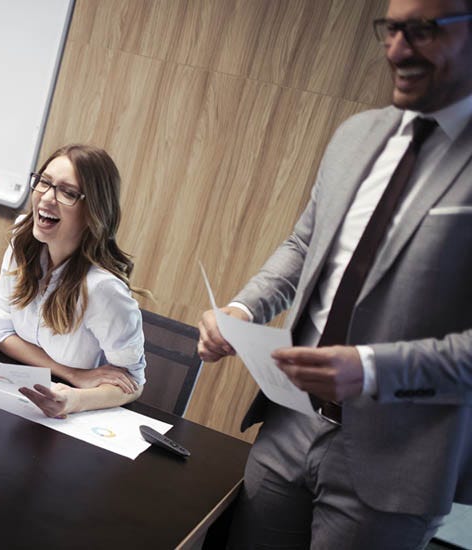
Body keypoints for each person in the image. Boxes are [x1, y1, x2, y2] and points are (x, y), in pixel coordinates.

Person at [197, 0, 472, 546]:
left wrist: (370, 370)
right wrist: (242, 310)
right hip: (287, 424)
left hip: (395, 462)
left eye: (420, 31)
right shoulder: (355, 136)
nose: (396, 50)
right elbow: (304, 245)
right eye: (391, 29)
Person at [0, 144, 148, 418]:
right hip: (17, 399)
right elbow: (3, 336)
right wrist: (74, 374)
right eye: (44, 183)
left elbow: (132, 384)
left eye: (68, 192)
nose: (47, 198)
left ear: (94, 210)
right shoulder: (22, 240)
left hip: (71, 420)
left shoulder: (103, 289)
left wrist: (75, 399)